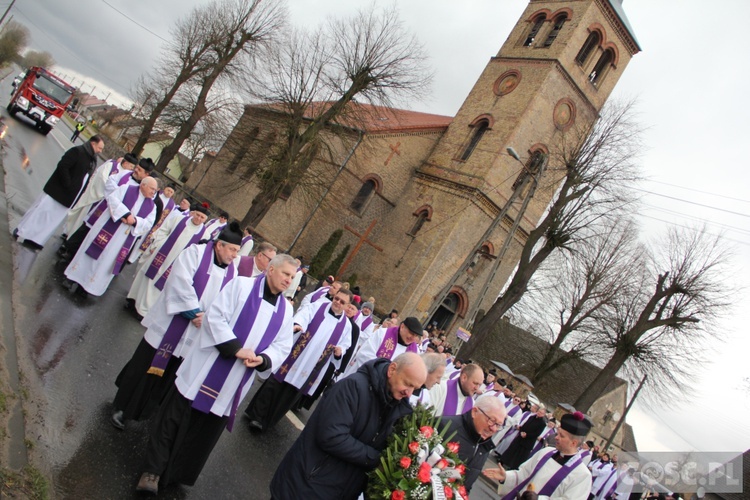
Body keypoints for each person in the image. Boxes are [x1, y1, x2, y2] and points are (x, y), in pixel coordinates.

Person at [135, 254, 297, 495]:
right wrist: (234, 348)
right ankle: (152, 471)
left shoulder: (286, 311)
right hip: (205, 367)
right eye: (286, 274)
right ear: (270, 270)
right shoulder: (241, 286)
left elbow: (282, 346)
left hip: (233, 381)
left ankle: (176, 472)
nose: (289, 280)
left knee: (202, 431)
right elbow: (215, 316)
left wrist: (263, 359)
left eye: (293, 277)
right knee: (173, 420)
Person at [111, 223, 242, 430]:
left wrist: (207, 318)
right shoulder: (195, 254)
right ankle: (122, 406)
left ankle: (147, 413)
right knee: (146, 368)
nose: (235, 255)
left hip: (196, 333)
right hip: (171, 325)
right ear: (219, 246)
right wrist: (194, 313)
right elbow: (179, 282)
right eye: (233, 249)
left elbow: (227, 303)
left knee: (168, 377)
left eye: (238, 251)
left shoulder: (232, 274)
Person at [270, 353, 427, 500]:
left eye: (415, 388)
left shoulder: (397, 406)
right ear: (392, 370)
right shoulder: (352, 387)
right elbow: (332, 436)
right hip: (306, 486)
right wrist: (377, 459)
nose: (409, 392)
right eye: (408, 384)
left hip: (339, 490)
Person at [244, 287, 353, 431]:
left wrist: (340, 351)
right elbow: (304, 315)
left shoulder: (346, 326)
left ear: (347, 306)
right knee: (275, 384)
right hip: (296, 355)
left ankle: (266, 422)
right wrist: (298, 324)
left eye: (342, 302)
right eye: (336, 298)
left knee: (288, 396)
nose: (337, 302)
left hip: (311, 366)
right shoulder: (318, 306)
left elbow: (345, 345)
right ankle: (255, 413)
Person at [64, 177, 157, 296]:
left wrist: (134, 221)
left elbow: (149, 223)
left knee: (106, 262)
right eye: (152, 188)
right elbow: (112, 199)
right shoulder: (126, 189)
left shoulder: (152, 206)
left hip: (122, 240)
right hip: (106, 228)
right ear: (143, 185)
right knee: (89, 255)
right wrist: (126, 214)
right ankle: (72, 279)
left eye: (155, 190)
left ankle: (87, 288)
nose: (153, 192)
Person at [14, 136, 104, 248]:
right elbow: (63, 166)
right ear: (93, 143)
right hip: (58, 191)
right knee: (41, 213)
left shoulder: (91, 159)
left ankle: (36, 239)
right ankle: (22, 231)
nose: (100, 151)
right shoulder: (77, 151)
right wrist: (68, 184)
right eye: (99, 148)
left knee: (51, 220)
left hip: (69, 197)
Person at [59, 156, 156, 260]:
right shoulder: (124, 174)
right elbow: (110, 182)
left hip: (120, 219)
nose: (135, 170)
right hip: (106, 208)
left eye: (139, 170)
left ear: (146, 175)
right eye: (136, 167)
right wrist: (120, 193)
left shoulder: (146, 190)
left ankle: (81, 258)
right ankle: (69, 248)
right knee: (87, 228)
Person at [125, 204, 210, 318]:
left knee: (158, 287)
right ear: (193, 213)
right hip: (160, 254)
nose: (199, 219)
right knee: (146, 277)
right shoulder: (179, 219)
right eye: (198, 215)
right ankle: (133, 300)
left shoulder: (205, 234)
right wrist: (156, 244)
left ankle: (143, 312)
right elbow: (164, 230)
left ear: (205, 220)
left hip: (176, 264)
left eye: (202, 218)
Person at [485, 412, 593, 499]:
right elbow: (524, 474)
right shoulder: (546, 452)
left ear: (573, 443)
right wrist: (506, 477)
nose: (556, 437)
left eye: (561, 436)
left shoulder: (582, 475)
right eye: (557, 433)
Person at [439, 396, 507, 493]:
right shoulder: (445, 426)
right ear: (475, 412)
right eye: (491, 420)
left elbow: (467, 486)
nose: (494, 429)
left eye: (498, 425)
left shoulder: (485, 446)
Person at [62, 153, 138, 238]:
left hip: (107, 203)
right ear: (125, 163)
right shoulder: (111, 165)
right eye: (131, 166)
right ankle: (69, 235)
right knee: (81, 218)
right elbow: (102, 179)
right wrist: (115, 192)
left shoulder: (126, 175)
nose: (132, 169)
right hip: (96, 198)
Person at [340, 316, 421, 378]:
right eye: (411, 333)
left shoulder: (414, 351)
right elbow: (364, 354)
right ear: (402, 326)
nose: (413, 338)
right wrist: (384, 373)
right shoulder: (383, 333)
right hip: (363, 377)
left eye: (416, 335)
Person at [500, 405, 548, 470]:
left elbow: (536, 434)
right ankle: (503, 461)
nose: (539, 413)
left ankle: (513, 467)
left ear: (544, 414)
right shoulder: (532, 417)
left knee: (520, 456)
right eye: (539, 411)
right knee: (511, 449)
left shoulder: (542, 423)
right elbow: (525, 425)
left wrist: (527, 435)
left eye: (541, 413)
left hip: (528, 441)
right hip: (521, 436)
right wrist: (522, 431)